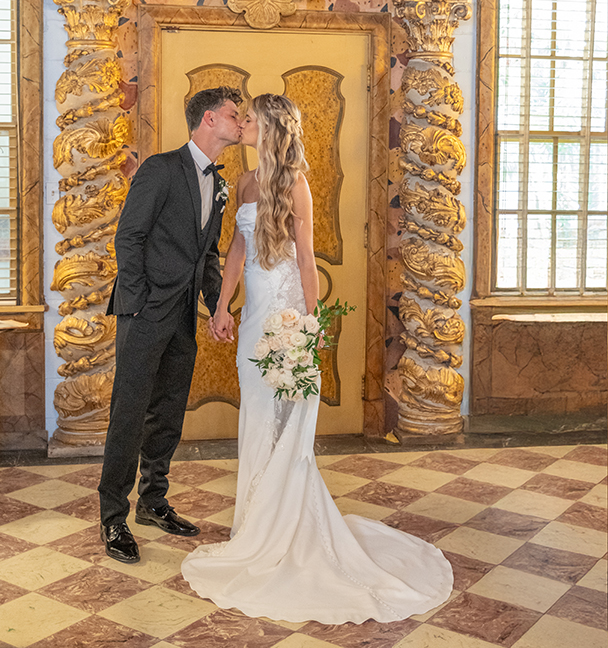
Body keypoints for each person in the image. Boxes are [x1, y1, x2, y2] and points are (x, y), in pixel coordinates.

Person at [180, 93, 452, 624]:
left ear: (273, 128)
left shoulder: (296, 184)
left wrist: (310, 325)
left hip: (285, 316)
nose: (245, 125)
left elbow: (306, 260)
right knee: (257, 419)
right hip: (254, 315)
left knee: (288, 424)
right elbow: (236, 250)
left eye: (252, 119)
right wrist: (221, 306)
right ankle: (255, 525)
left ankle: (284, 529)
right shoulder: (246, 182)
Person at [99, 86, 244, 563]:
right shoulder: (161, 168)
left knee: (169, 410)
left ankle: (153, 501)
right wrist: (138, 304)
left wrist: (216, 306)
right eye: (232, 114)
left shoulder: (220, 184)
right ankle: (113, 516)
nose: (240, 122)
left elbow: (207, 256)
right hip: (143, 314)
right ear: (208, 119)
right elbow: (129, 236)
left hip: (183, 315)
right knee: (130, 410)